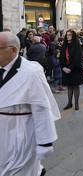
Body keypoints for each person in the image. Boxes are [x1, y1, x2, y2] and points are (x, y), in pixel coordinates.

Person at [0, 32, 60, 176]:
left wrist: (45, 141)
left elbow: (41, 107)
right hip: (2, 132)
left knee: (18, 171)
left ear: (13, 49)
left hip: (20, 133)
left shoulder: (31, 72)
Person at [59, 29, 83, 110]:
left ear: (73, 36)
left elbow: (78, 58)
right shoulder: (64, 45)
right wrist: (63, 67)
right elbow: (61, 57)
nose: (68, 36)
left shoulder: (77, 45)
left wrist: (70, 68)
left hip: (75, 69)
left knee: (76, 86)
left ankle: (76, 103)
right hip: (66, 68)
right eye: (67, 35)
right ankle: (69, 102)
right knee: (69, 87)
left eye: (69, 35)